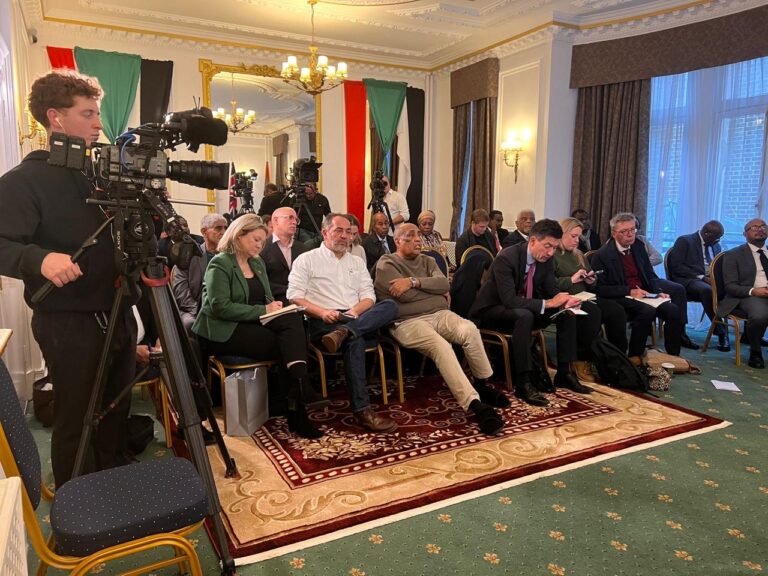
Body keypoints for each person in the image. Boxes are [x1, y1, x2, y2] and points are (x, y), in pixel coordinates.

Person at [0, 70, 135, 487]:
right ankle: (79, 501)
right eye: (88, 114)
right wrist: (38, 259)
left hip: (118, 313)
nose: (98, 124)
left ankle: (114, 489)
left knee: (116, 411)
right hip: (68, 323)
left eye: (97, 114)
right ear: (55, 117)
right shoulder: (22, 182)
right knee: (77, 419)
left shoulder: (99, 175)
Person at [192, 215, 324, 438]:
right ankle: (297, 402)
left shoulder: (257, 263)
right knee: (286, 344)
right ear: (238, 235)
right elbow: (219, 307)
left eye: (263, 241)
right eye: (256, 239)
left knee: (294, 318)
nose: (260, 245)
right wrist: (264, 310)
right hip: (222, 329)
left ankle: (298, 387)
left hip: (252, 322)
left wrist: (275, 307)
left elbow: (267, 298)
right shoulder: (220, 263)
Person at [374, 224, 506, 435]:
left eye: (419, 235)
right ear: (397, 240)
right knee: (441, 345)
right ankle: (474, 404)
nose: (418, 239)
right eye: (410, 236)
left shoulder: (428, 260)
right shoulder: (387, 262)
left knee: (469, 329)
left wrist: (413, 282)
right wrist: (434, 294)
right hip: (406, 322)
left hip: (438, 314)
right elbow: (404, 297)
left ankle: (482, 384)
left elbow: (444, 284)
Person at [287, 213, 399, 432]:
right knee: (355, 340)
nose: (345, 236)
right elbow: (294, 296)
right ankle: (362, 410)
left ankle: (345, 331)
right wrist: (322, 312)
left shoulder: (356, 261)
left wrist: (354, 312)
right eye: (338, 231)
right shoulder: (307, 259)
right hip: (323, 320)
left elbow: (369, 296)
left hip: (355, 316)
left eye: (349, 232)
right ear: (324, 232)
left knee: (390, 306)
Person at [470, 219, 593, 407]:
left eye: (554, 247)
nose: (551, 252)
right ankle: (523, 381)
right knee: (525, 315)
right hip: (492, 311)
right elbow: (509, 300)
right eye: (548, 246)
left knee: (566, 313)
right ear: (533, 241)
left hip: (522, 308)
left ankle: (564, 373)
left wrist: (564, 301)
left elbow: (551, 290)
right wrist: (549, 303)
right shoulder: (507, 257)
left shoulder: (547, 259)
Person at [590, 212, 695, 362]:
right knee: (647, 311)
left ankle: (673, 356)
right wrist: (629, 291)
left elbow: (649, 274)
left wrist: (658, 292)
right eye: (624, 231)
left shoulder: (638, 247)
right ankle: (635, 356)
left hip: (644, 293)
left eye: (632, 229)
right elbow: (600, 289)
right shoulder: (602, 255)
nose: (630, 234)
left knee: (673, 310)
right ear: (614, 234)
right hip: (621, 295)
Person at [554, 217, 627, 375]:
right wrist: (571, 280)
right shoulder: (553, 254)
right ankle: (582, 358)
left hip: (585, 295)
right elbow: (549, 284)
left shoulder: (578, 254)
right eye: (573, 236)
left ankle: (619, 357)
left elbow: (591, 284)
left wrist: (591, 280)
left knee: (616, 311)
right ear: (562, 234)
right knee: (592, 313)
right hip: (566, 298)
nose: (577, 241)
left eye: (578, 237)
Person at [667, 221, 729, 351]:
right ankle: (721, 332)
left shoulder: (716, 245)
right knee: (707, 290)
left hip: (709, 279)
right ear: (706, 233)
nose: (718, 241)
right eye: (716, 238)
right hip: (687, 279)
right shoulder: (685, 241)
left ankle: (748, 333)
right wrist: (702, 277)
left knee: (732, 288)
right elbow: (676, 266)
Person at [719, 219, 768, 369]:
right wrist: (754, 290)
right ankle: (755, 350)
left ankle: (752, 336)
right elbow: (730, 286)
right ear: (745, 234)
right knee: (760, 315)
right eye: (754, 227)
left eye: (763, 226)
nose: (760, 229)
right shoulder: (733, 255)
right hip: (748, 295)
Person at [172, 213, 227, 333]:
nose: (223, 232)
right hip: (193, 310)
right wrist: (201, 311)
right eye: (218, 228)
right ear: (204, 232)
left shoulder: (231, 257)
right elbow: (181, 293)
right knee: (190, 323)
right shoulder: (187, 257)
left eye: (225, 228)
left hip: (224, 310)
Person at [260, 207, 310, 304]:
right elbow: (261, 282)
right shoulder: (261, 248)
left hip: (303, 302)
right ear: (276, 220)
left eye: (296, 220)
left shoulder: (304, 249)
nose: (294, 222)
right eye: (290, 218)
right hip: (273, 303)